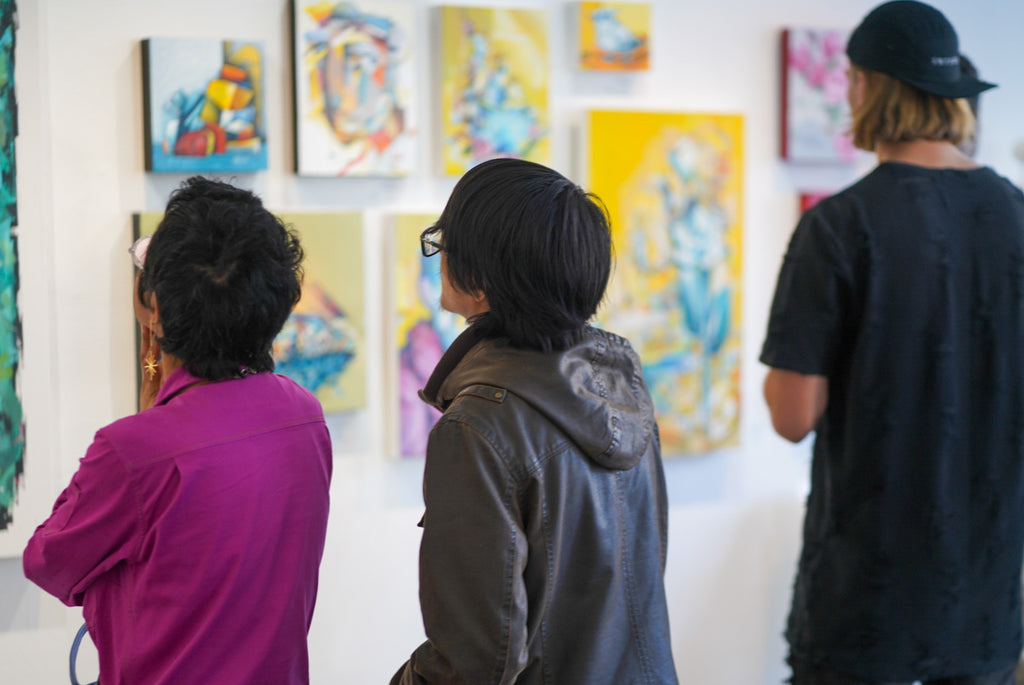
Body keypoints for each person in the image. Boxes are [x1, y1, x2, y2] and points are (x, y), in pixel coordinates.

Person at [760, 2, 1024, 684]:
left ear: (867, 86)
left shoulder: (839, 227)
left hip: (866, 607)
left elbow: (792, 417)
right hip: (986, 607)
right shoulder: (1019, 218)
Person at [23, 177, 333, 684]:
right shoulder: (304, 415)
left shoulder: (134, 451)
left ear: (153, 307)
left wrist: (153, 388)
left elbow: (48, 561)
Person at [390, 158, 678, 685]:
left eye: (443, 241)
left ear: (481, 279)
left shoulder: (478, 426)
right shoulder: (623, 387)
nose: (438, 256)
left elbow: (475, 661)